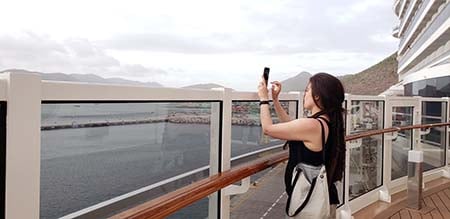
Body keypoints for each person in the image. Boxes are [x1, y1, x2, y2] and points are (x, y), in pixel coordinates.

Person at [257, 72, 346, 218]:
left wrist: (263, 99)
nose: (304, 95)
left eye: (307, 91)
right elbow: (290, 125)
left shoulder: (313, 125)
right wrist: (275, 100)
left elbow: (268, 129)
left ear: (317, 96)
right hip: (320, 199)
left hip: (309, 202)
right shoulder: (324, 121)